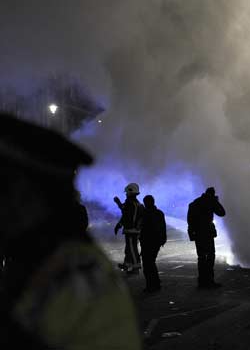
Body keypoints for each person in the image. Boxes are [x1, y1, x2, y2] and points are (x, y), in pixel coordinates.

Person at [0, 113, 141, 349]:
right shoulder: (40, 256)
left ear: (30, 196)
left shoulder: (75, 277)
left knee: (133, 253)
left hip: (131, 234)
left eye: (5, 189)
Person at [187, 187, 226, 288]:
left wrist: (192, 233)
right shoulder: (210, 202)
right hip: (207, 233)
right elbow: (222, 213)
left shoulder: (194, 203)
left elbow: (190, 221)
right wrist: (216, 202)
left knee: (201, 257)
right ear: (212, 195)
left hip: (198, 233)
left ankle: (202, 281)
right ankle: (209, 281)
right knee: (210, 256)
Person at [114, 183, 143, 274]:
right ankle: (127, 264)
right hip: (134, 230)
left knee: (132, 248)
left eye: (127, 193)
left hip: (132, 230)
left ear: (131, 192)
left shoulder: (130, 203)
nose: (126, 194)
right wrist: (119, 224)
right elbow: (126, 215)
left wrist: (118, 202)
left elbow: (125, 213)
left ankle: (136, 268)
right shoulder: (136, 203)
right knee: (128, 248)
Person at [139, 195, 166, 293]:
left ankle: (151, 285)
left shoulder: (145, 214)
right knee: (151, 263)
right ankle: (156, 283)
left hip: (147, 242)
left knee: (148, 265)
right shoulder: (159, 213)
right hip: (156, 242)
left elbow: (143, 228)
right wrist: (163, 240)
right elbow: (163, 227)